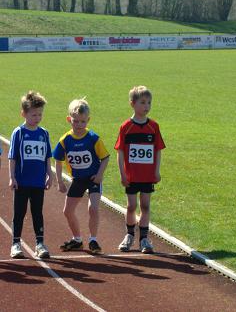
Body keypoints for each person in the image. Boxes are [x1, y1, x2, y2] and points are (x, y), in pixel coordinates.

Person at [54, 99, 110, 254]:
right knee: (67, 211)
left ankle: (93, 240)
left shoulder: (93, 138)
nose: (79, 125)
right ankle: (77, 239)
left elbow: (105, 157)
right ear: (69, 119)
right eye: (75, 121)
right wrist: (59, 181)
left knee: (93, 208)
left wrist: (99, 175)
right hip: (77, 179)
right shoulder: (65, 140)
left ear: (88, 120)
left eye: (83, 122)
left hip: (93, 178)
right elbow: (57, 160)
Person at [115, 86, 166, 253]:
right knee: (131, 206)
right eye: (143, 102)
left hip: (147, 175)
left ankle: (144, 239)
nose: (147, 106)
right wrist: (123, 174)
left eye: (149, 103)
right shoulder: (126, 127)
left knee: (145, 205)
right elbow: (120, 152)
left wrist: (157, 171)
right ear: (132, 104)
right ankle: (129, 235)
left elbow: (158, 150)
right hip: (132, 175)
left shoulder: (154, 127)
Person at [8, 91, 54, 259]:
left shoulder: (44, 133)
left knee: (37, 212)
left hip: (38, 182)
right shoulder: (18, 133)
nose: (37, 117)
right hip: (22, 181)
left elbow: (47, 157)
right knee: (19, 212)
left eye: (40, 114)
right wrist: (12, 177)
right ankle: (15, 243)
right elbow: (12, 157)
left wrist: (50, 174)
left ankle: (40, 243)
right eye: (34, 114)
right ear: (24, 114)